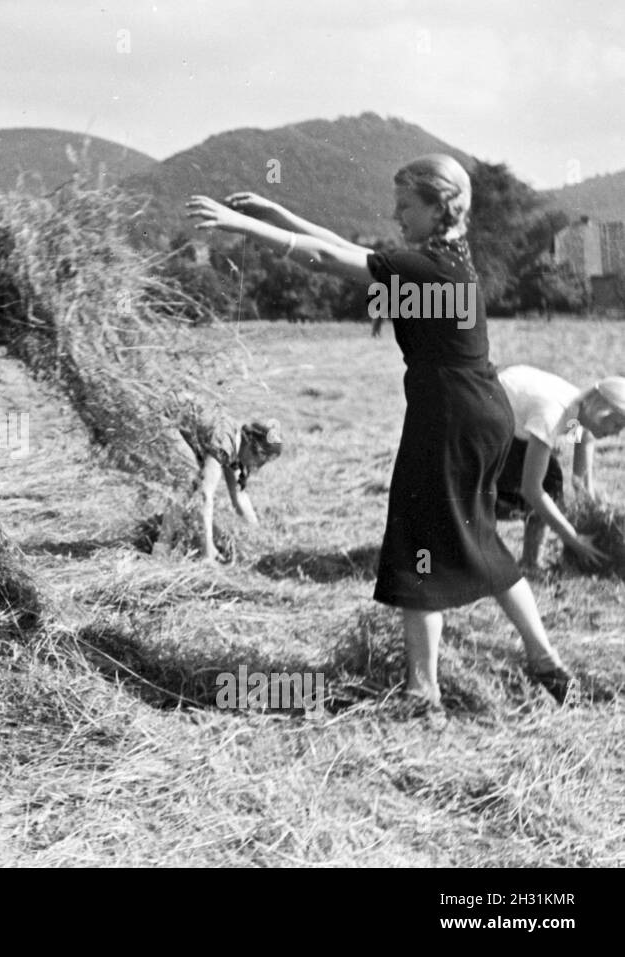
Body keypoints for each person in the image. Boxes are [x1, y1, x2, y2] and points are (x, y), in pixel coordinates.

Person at [185, 154, 574, 714]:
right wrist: (278, 211)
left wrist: (242, 225)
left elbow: (325, 259)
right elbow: (346, 250)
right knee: (477, 534)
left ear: (440, 206)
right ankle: (544, 661)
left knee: (418, 541)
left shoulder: (429, 267)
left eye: (406, 207)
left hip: (447, 417)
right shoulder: (448, 259)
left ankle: (423, 692)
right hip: (482, 414)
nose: (397, 217)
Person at [496, 364, 625, 569]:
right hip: (485, 416)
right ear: (601, 411)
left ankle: (530, 562)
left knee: (551, 482)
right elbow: (531, 489)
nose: (617, 433)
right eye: (617, 425)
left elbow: (582, 442)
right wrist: (573, 538)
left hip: (513, 417)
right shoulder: (554, 414)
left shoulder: (580, 410)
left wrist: (588, 496)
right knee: (502, 490)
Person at [161, 411, 284, 561]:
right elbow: (205, 494)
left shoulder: (238, 444)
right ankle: (161, 549)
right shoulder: (226, 442)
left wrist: (258, 538)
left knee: (190, 481)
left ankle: (167, 546)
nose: (256, 468)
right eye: (260, 462)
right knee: (187, 477)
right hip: (163, 417)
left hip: (172, 421)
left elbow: (239, 496)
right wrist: (208, 549)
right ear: (254, 448)